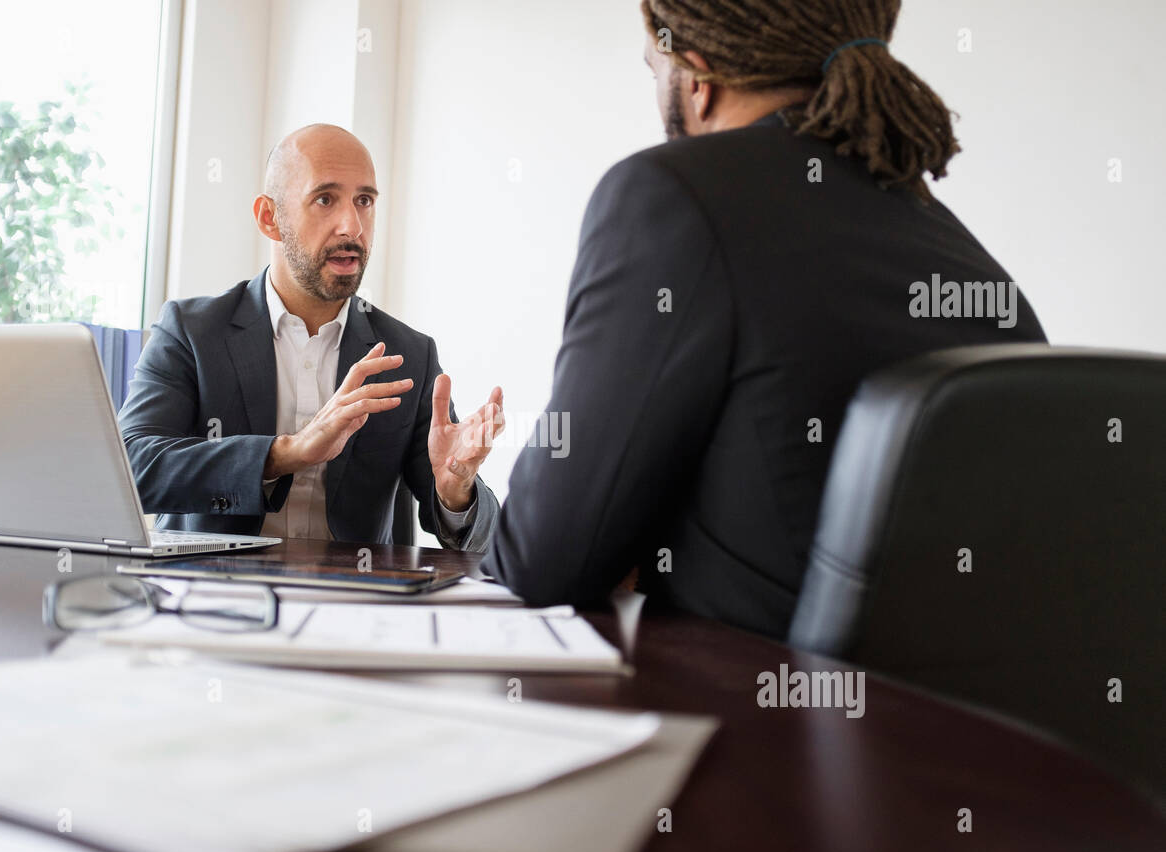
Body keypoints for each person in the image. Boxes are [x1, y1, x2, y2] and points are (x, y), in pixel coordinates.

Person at [481, 0, 1047, 636]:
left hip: (752, 719)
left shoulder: (672, 196)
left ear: (696, 77)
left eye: (655, 68)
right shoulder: (973, 265)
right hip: (936, 727)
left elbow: (541, 563)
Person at [119, 124, 502, 549]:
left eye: (364, 201)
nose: (352, 226)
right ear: (270, 218)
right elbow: (131, 468)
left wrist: (455, 491)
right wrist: (285, 453)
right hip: (216, 599)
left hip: (355, 602)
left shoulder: (409, 354)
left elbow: (475, 533)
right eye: (325, 199)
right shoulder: (191, 331)